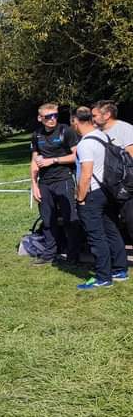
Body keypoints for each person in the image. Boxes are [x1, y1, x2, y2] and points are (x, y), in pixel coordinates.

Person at [72, 106, 128, 289]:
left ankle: (103, 277)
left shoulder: (85, 144)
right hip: (108, 191)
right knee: (112, 231)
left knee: (96, 235)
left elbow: (86, 174)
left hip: (92, 194)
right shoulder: (103, 136)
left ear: (75, 121)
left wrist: (80, 198)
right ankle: (120, 269)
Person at [28, 103, 81, 267]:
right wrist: (34, 185)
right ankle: (50, 253)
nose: (52, 119)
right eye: (48, 116)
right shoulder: (36, 135)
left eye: (55, 115)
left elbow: (77, 156)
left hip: (63, 179)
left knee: (69, 218)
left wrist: (53, 160)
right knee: (47, 219)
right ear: (40, 118)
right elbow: (34, 160)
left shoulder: (66, 131)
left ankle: (73, 255)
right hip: (44, 182)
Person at [91, 99, 133, 240]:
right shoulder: (97, 133)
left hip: (125, 186)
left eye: (95, 115)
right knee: (112, 225)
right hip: (106, 187)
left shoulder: (125, 129)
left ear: (107, 115)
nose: (92, 119)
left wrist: (127, 185)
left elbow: (131, 157)